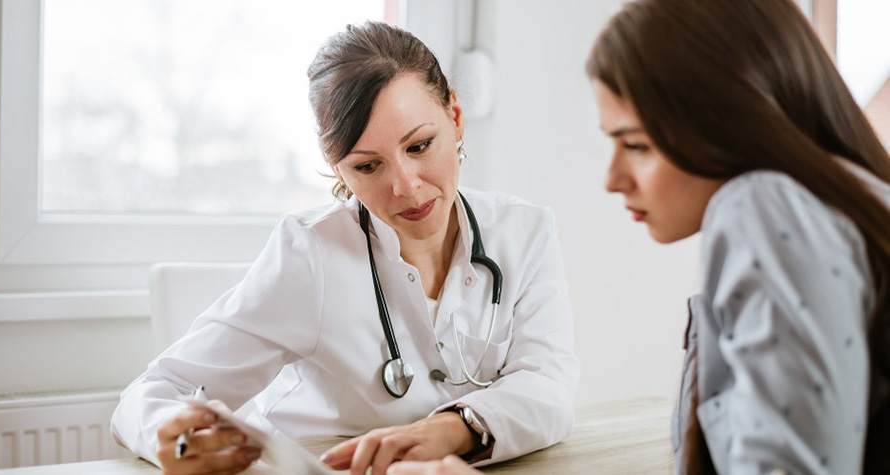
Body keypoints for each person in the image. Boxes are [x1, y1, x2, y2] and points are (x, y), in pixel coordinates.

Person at [389, 0, 890, 474]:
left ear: (734, 120)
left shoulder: (760, 205)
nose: (613, 178)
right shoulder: (848, 200)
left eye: (636, 144)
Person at [110, 21, 579, 475]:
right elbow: (152, 392)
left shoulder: (526, 232)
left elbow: (549, 384)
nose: (406, 188)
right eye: (368, 166)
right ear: (339, 171)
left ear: (455, 119)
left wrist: (450, 430)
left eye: (420, 146)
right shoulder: (310, 253)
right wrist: (167, 436)